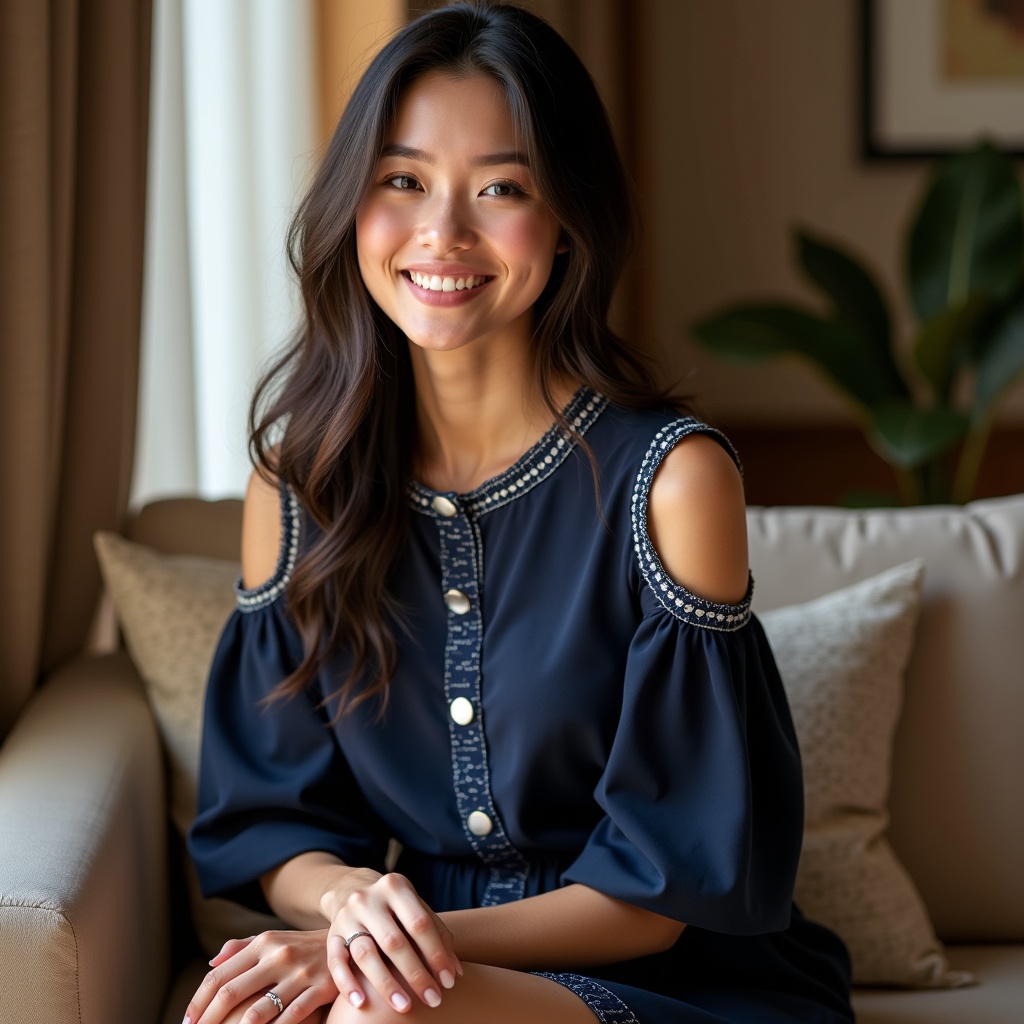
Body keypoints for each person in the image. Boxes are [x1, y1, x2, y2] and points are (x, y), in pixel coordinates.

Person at [184, 3, 854, 1022]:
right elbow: (276, 819)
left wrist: (381, 954)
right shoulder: (296, 488)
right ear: (349, 206)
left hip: (667, 979)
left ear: (568, 219)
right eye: (401, 181)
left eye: (500, 188)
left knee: (377, 1012)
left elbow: (660, 889)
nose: (441, 233)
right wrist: (352, 908)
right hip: (412, 962)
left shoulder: (672, 481)